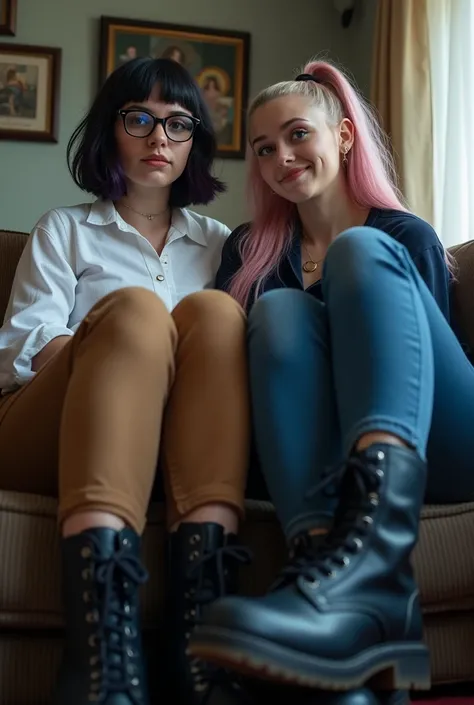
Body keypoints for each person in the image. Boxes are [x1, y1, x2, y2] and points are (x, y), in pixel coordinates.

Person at [189, 59, 474, 705]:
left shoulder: (404, 236)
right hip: (309, 467)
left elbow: (413, 380)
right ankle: (326, 582)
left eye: (297, 135)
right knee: (279, 309)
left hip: (442, 442)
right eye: (264, 149)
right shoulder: (247, 255)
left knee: (358, 251)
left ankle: (368, 571)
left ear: (343, 136)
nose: (281, 157)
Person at [0, 57, 252, 705]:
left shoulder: (222, 244)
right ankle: (101, 661)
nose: (158, 138)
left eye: (177, 124)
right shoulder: (65, 231)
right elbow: (23, 353)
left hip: (185, 449)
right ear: (111, 130)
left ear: (195, 141)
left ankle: (202, 647)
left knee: (219, 313)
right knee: (139, 312)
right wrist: (132, 360)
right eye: (138, 118)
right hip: (48, 430)